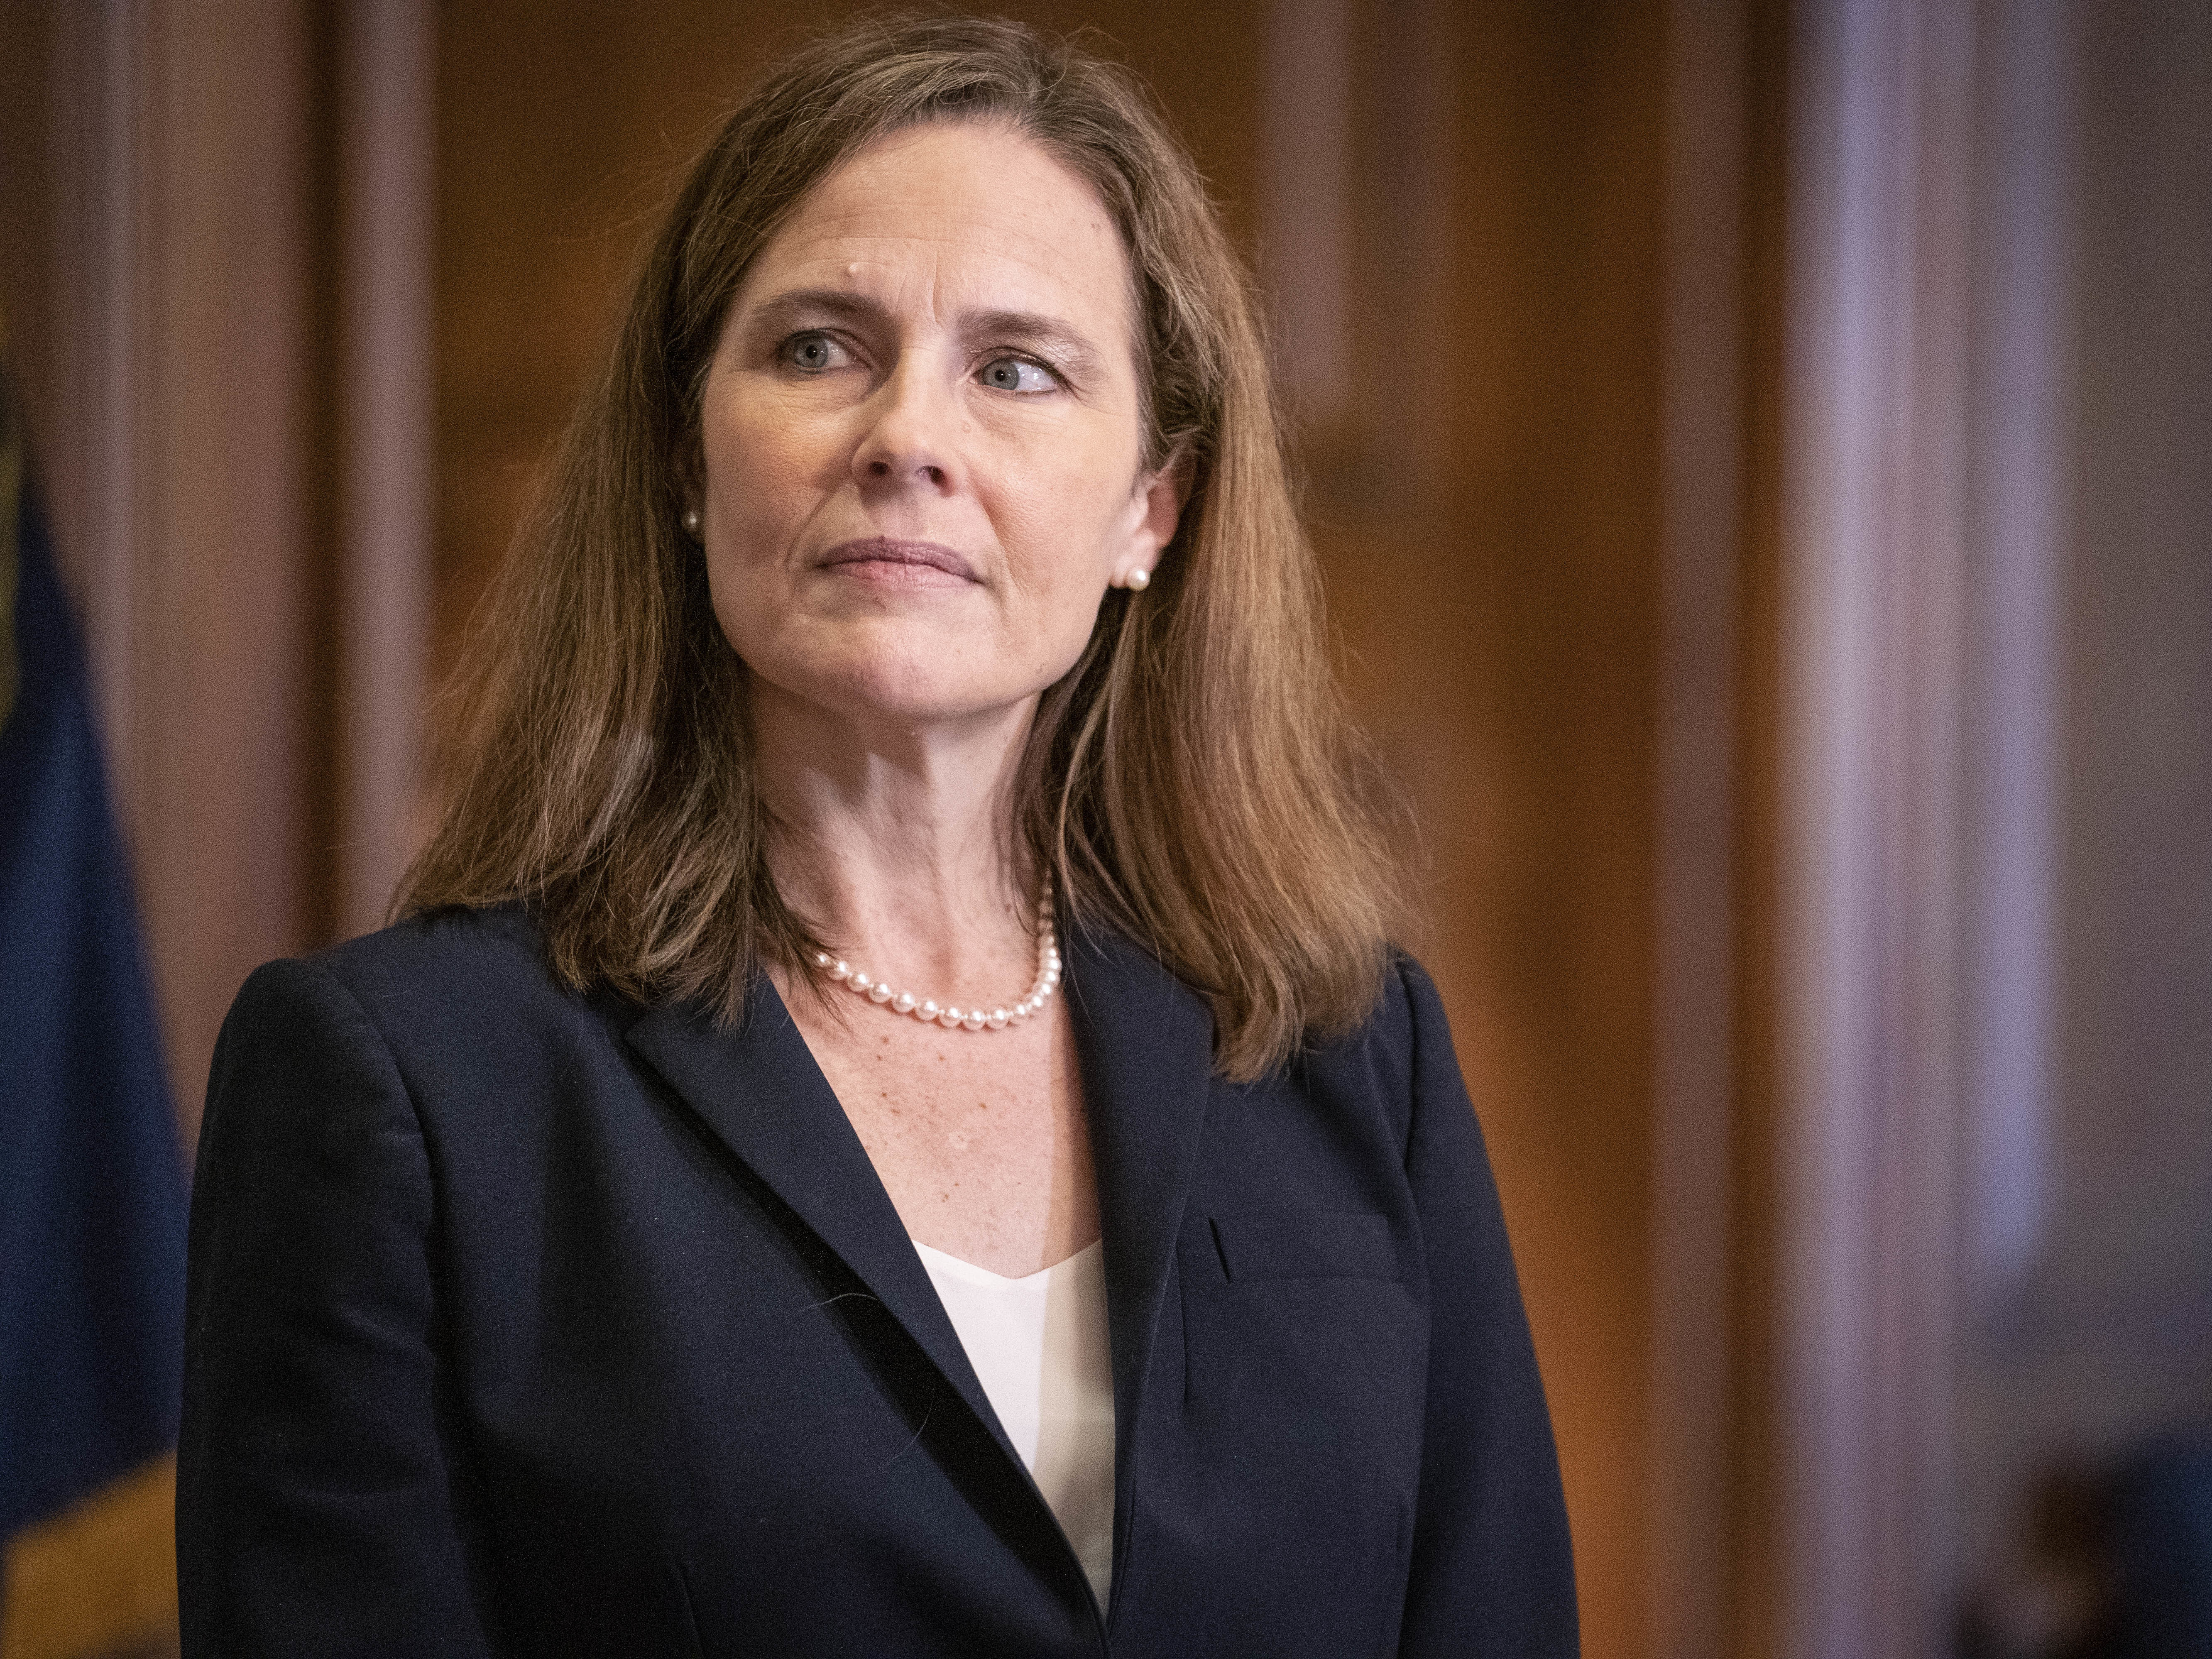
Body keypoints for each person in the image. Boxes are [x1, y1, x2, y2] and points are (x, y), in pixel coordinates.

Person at [176, 15, 1576, 1657]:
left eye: (1017, 369)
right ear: (691, 460)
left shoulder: (1354, 1058)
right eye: (820, 348)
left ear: (1151, 509)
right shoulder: (400, 1087)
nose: (908, 436)